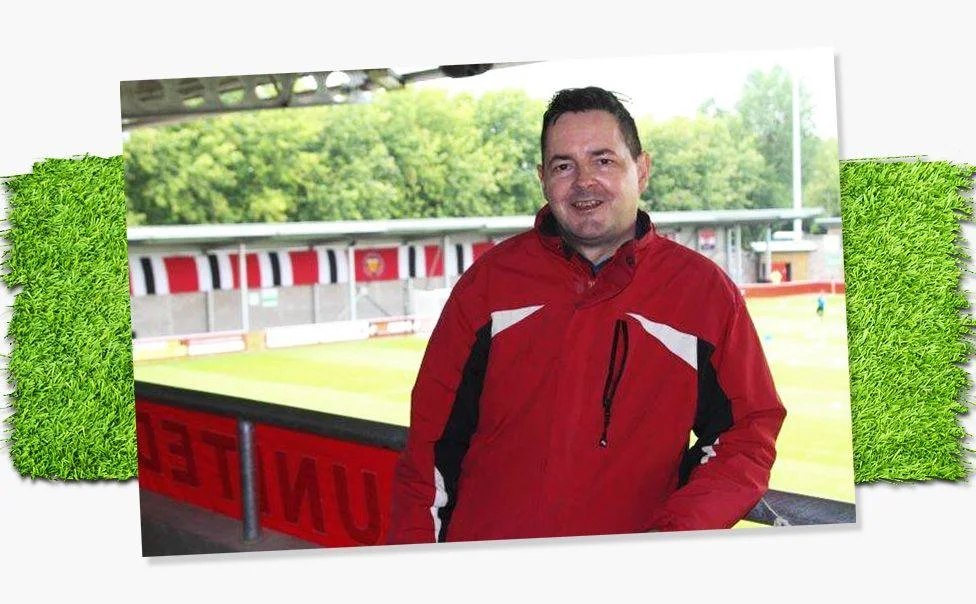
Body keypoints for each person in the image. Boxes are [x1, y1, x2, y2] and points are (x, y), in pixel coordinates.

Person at [387, 86, 786, 544]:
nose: (583, 181)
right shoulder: (488, 286)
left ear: (642, 169)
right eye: (563, 165)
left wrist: (676, 534)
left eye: (603, 160)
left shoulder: (704, 293)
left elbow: (747, 432)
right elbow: (428, 455)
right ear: (542, 178)